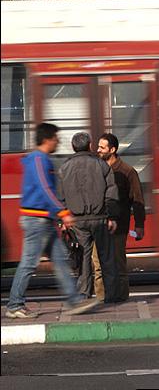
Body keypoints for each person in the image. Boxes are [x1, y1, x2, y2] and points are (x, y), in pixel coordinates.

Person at [6, 123, 99, 318]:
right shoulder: (39, 159)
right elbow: (45, 189)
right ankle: (15, 305)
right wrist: (62, 212)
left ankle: (73, 301)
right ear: (47, 139)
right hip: (36, 220)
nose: (58, 141)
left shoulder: (40, 159)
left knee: (61, 260)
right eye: (56, 138)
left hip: (43, 220)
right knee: (29, 263)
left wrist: (57, 214)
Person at [58, 132, 120, 303]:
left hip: (77, 221)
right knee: (106, 256)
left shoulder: (64, 168)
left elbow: (60, 196)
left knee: (84, 257)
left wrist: (63, 219)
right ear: (90, 145)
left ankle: (84, 292)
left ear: (73, 147)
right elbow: (111, 192)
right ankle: (111, 295)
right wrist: (112, 216)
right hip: (99, 217)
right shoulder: (102, 165)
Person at [94, 133, 145, 302]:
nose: (98, 150)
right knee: (98, 266)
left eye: (102, 147)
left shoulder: (127, 172)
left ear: (113, 149)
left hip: (120, 225)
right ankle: (102, 298)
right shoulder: (97, 169)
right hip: (99, 224)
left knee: (119, 265)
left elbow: (137, 200)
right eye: (98, 146)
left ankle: (121, 298)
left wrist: (139, 225)